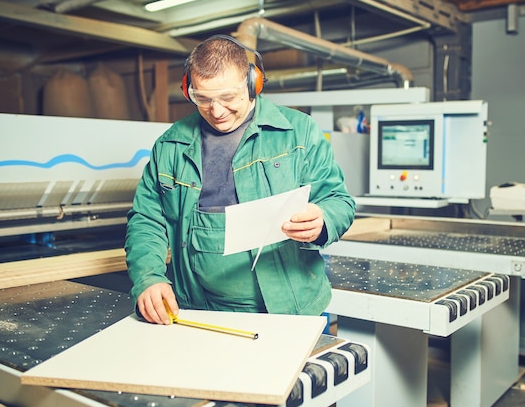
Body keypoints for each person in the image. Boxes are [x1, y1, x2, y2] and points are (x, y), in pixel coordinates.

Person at [124, 34, 355, 325]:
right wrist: (149, 277)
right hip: (196, 309)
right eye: (203, 99)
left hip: (289, 309)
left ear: (252, 84)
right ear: (188, 89)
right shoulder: (170, 146)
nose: (217, 111)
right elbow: (147, 219)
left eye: (228, 98)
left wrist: (323, 219)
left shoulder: (298, 132)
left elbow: (339, 201)